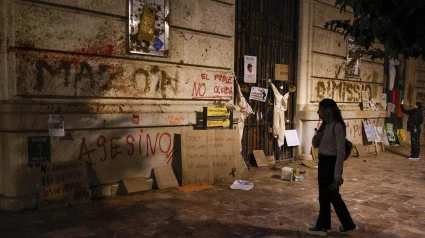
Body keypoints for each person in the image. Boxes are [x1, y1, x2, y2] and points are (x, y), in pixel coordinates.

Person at [306, 98, 357, 237]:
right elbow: (315, 145)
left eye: (320, 109)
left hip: (331, 163)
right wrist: (318, 136)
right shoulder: (325, 125)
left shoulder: (337, 126)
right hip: (323, 162)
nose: (318, 112)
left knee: (328, 195)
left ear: (327, 111)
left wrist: (337, 174)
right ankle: (347, 224)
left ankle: (323, 227)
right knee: (330, 196)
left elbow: (340, 151)